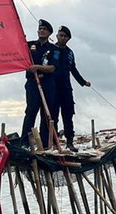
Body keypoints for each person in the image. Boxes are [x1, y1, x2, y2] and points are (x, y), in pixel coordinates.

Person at [20, 19, 59, 149]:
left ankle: (45, 143)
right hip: (32, 83)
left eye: (45, 30)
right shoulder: (29, 45)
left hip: (47, 82)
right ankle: (24, 142)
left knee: (46, 113)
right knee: (31, 110)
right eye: (40, 29)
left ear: (49, 33)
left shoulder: (53, 49)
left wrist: (37, 67)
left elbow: (52, 68)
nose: (42, 31)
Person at [52, 25, 91, 151]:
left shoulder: (70, 53)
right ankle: (54, 142)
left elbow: (73, 69)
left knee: (68, 115)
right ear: (57, 36)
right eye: (60, 35)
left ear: (68, 38)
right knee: (53, 116)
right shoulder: (52, 50)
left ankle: (70, 142)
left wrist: (83, 82)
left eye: (65, 36)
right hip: (53, 88)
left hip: (66, 88)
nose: (62, 38)